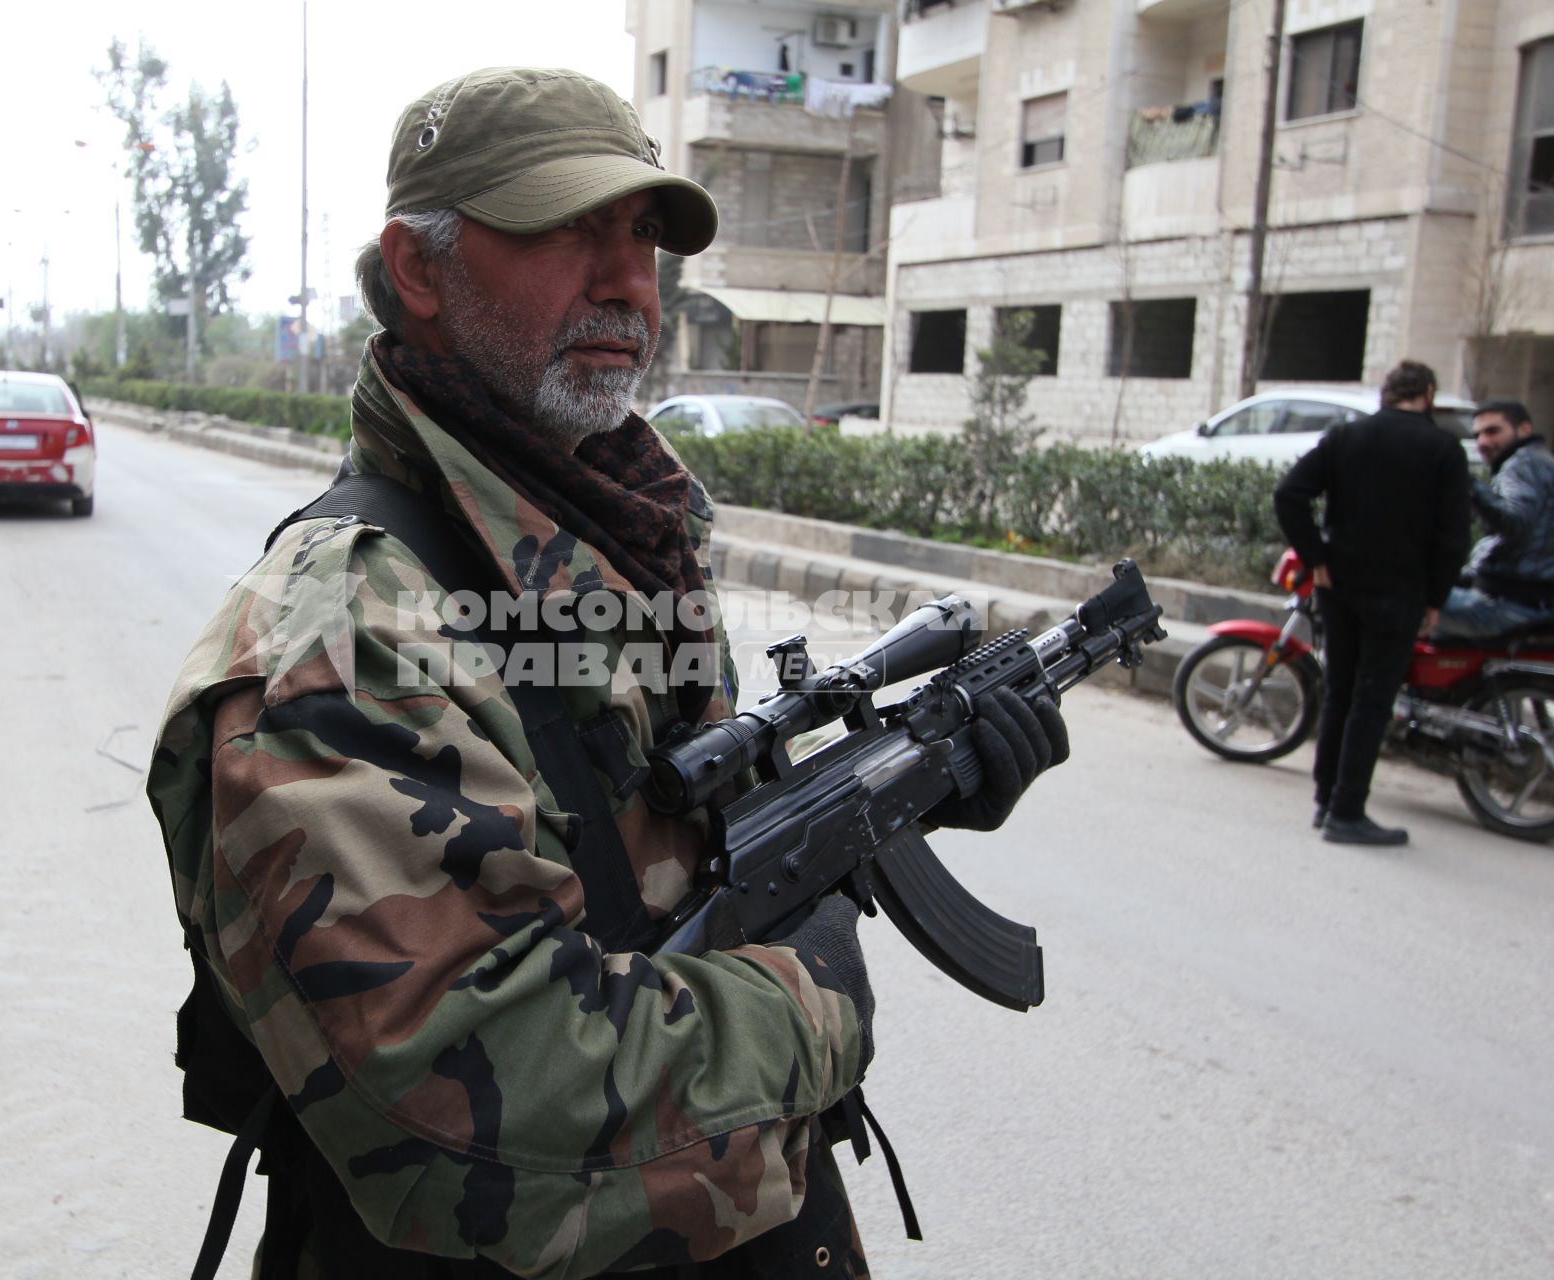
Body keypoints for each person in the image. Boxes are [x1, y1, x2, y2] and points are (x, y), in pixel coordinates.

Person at [147, 67, 1067, 1280]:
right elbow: (484, 1114)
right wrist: (817, 1001)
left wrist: (910, 785)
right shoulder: (345, 636)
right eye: (564, 227)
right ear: (419, 269)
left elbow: (676, 846)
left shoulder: (615, 536)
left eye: (639, 234)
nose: (628, 278)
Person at [1273, 360, 1472, 846]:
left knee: (1340, 692)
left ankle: (1326, 800)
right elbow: (1453, 539)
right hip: (1399, 592)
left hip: (1338, 586)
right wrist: (1435, 599)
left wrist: (1316, 557)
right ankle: (1347, 811)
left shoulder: (1347, 437)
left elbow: (1289, 494)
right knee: (1372, 700)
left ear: (1387, 393)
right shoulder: (1443, 449)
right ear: (1427, 393)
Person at [1434, 400, 1554, 639]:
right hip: (1523, 602)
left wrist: (1466, 481)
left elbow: (1515, 523)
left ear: (1524, 429)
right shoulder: (1542, 462)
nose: (1483, 442)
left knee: (1398, 606)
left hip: (1507, 606)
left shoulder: (1525, 463)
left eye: (1493, 431)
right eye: (1478, 435)